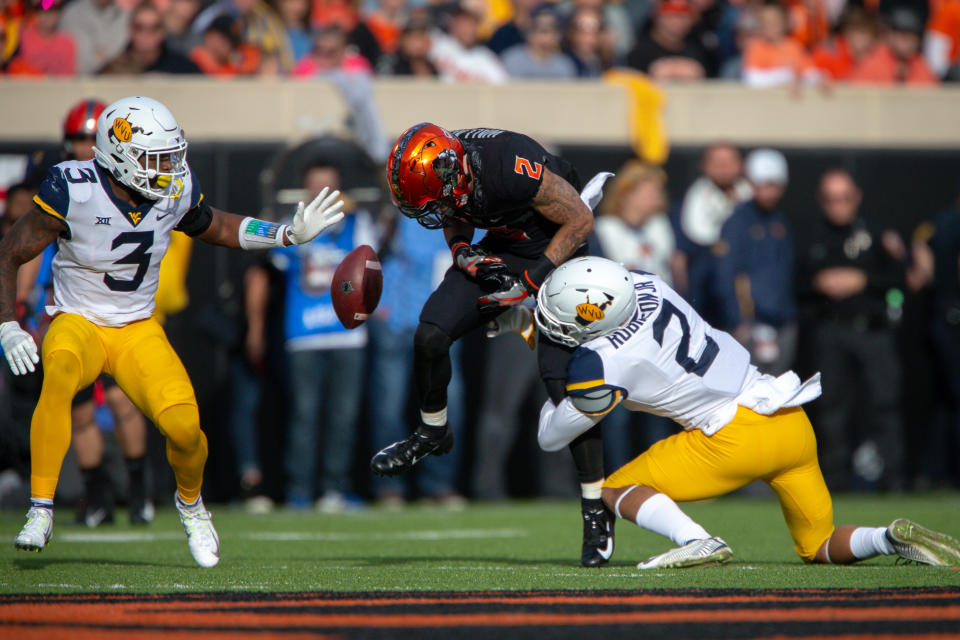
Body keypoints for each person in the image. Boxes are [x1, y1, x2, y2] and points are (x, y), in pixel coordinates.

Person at [0, 95, 345, 567]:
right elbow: (10, 252)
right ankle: (41, 508)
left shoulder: (174, 187)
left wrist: (284, 234)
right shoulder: (72, 185)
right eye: (155, 157)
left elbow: (215, 225)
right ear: (119, 155)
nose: (168, 167)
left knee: (184, 426)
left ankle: (191, 504)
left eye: (170, 155)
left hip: (138, 326)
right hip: (77, 320)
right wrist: (7, 325)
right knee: (58, 374)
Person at [535, 256, 960, 569]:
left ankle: (696, 538)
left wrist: (546, 365)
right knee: (819, 545)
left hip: (731, 437)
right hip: (787, 416)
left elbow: (551, 436)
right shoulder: (648, 283)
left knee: (613, 490)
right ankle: (888, 538)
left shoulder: (603, 361)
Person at [373, 123, 616, 567]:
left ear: (454, 169)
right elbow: (452, 208)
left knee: (565, 387)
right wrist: (463, 249)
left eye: (435, 197)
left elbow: (580, 220)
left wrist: (528, 283)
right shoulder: (451, 170)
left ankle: (594, 507)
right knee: (430, 333)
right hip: (504, 247)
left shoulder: (507, 164)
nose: (434, 210)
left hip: (557, 252)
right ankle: (432, 430)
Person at [263, 162, 377, 511]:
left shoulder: (358, 224)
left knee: (343, 416)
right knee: (305, 414)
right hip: (304, 332)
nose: (322, 191)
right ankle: (299, 489)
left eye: (329, 184)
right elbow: (276, 258)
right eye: (316, 185)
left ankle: (334, 488)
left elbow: (371, 263)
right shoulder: (292, 225)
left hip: (347, 334)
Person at [796, 169, 906, 491]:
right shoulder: (811, 235)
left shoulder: (876, 233)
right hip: (831, 330)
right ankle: (835, 481)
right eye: (830, 199)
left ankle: (894, 479)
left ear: (856, 197)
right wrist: (820, 284)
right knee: (832, 409)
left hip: (873, 331)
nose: (838, 205)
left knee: (884, 404)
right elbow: (796, 284)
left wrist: (863, 281)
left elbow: (901, 278)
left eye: (844, 197)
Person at [368, 214, 466, 507]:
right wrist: (378, 306)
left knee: (450, 406)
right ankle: (389, 486)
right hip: (396, 322)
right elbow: (365, 260)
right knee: (388, 406)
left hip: (441, 325)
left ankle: (438, 485)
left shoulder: (460, 211)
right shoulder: (393, 211)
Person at [713, 148, 796, 375]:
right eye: (763, 184)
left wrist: (789, 318)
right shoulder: (736, 222)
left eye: (774, 184)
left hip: (782, 322)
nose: (769, 191)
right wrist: (738, 320)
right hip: (749, 325)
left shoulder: (781, 221)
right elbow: (726, 274)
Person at [675, 143, 751, 324]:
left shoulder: (754, 201)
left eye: (729, 161)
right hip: (703, 301)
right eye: (716, 161)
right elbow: (679, 257)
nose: (723, 166)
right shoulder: (689, 202)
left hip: (746, 303)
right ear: (704, 166)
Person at [99, 1, 200, 74]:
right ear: (130, 30)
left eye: (154, 28)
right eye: (139, 27)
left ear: (163, 31)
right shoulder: (113, 68)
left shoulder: (183, 68)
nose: (146, 34)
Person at [625, 0, 708, 82]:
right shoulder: (640, 52)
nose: (676, 22)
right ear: (657, 17)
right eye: (670, 16)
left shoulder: (699, 49)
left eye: (681, 16)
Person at [850, 8, 937, 86]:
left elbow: (933, 96)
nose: (906, 41)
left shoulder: (921, 65)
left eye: (912, 36)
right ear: (890, 36)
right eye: (902, 35)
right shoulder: (873, 61)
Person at [501, 5, 577, 80]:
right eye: (539, 29)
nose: (544, 35)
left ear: (558, 35)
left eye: (550, 29)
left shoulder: (565, 65)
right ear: (529, 32)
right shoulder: (511, 60)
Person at [59, 0, 129, 75]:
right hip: (79, 82)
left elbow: (122, 56)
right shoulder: (72, 14)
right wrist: (105, 59)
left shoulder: (126, 15)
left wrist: (103, 57)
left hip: (118, 80)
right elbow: (80, 63)